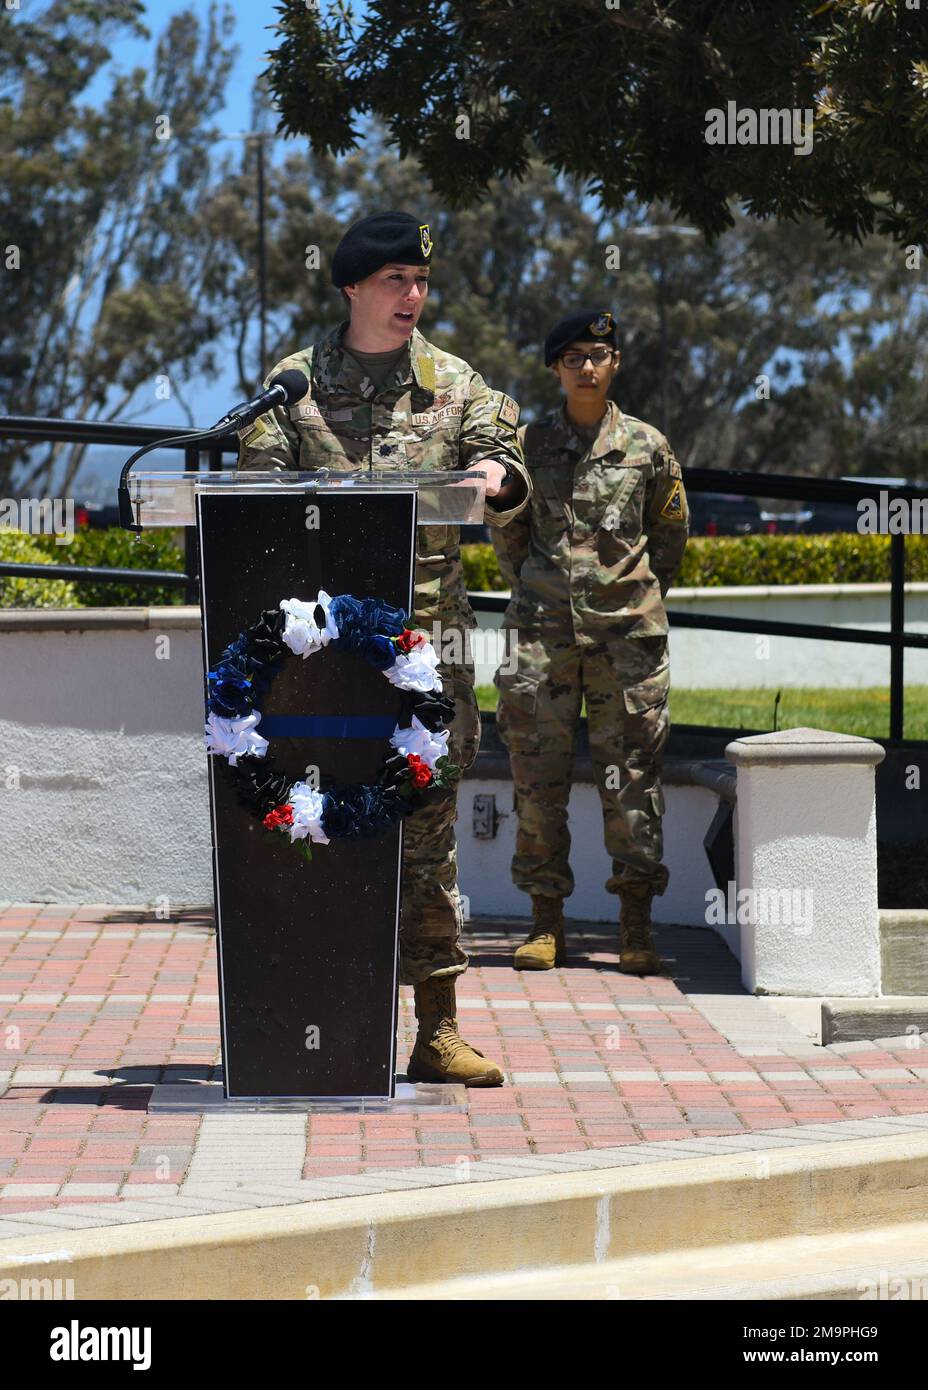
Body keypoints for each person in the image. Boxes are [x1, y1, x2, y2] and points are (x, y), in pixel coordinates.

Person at [236, 211, 531, 1085]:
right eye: (396, 280)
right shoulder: (292, 384)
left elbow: (502, 459)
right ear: (352, 289)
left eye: (421, 281)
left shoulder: (452, 380)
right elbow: (252, 491)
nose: (413, 296)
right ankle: (308, 1019)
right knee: (314, 824)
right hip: (317, 659)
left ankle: (435, 1028)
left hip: (424, 649)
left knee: (427, 831)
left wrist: (493, 477)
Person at [491, 309, 688, 975]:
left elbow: (670, 541)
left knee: (632, 780)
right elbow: (508, 534)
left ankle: (636, 926)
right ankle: (545, 923)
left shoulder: (647, 446)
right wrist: (542, 589)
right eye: (571, 356)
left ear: (615, 364)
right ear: (555, 368)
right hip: (543, 638)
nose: (586, 366)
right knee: (537, 783)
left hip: (625, 640)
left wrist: (626, 593)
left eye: (597, 354)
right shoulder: (528, 445)